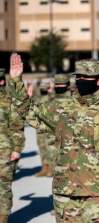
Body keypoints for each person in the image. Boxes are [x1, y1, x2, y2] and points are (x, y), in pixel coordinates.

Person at [10, 57, 99, 222]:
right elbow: (28, 112)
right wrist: (16, 80)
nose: (81, 81)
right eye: (78, 77)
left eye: (86, 78)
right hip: (66, 192)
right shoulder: (60, 109)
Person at [0, 60, 26, 223]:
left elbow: (17, 126)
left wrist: (17, 149)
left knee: (3, 189)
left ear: (2, 81)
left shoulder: (9, 101)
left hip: (4, 152)